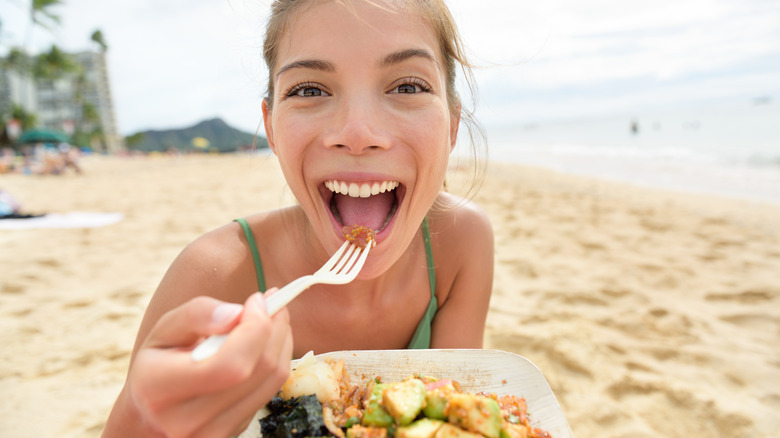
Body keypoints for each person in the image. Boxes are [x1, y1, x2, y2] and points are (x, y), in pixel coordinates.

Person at [102, 0, 494, 436]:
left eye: (407, 86)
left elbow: (455, 417)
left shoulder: (462, 243)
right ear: (271, 128)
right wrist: (141, 416)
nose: (358, 133)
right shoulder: (213, 275)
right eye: (309, 90)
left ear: (453, 124)